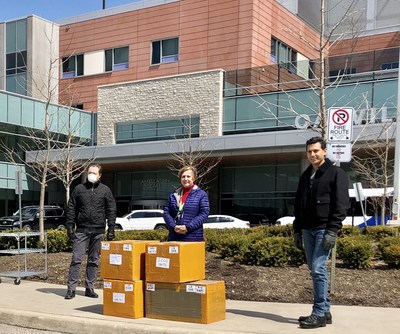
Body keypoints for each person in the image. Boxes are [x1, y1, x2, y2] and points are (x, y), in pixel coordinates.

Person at [293, 137, 349, 329]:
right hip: (307, 229)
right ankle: (325, 311)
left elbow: (341, 205)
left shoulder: (336, 173)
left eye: (316, 151)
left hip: (324, 228)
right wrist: (297, 230)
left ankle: (318, 313)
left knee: (318, 268)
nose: (313, 154)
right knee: (315, 269)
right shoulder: (305, 175)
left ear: (325, 151)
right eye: (309, 151)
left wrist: (333, 230)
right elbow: (299, 205)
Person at [65, 164, 117, 300]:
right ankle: (71, 289)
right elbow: (71, 207)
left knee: (94, 260)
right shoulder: (79, 189)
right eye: (89, 172)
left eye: (94, 173)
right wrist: (70, 225)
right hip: (82, 230)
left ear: (100, 175)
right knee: (76, 259)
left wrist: (111, 228)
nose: (91, 175)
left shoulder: (105, 190)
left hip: (98, 231)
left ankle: (89, 287)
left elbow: (111, 209)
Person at [163, 165, 210, 241]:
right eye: (183, 177)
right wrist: (173, 226)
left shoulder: (201, 194)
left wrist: (188, 227)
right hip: (174, 236)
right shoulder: (174, 194)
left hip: (193, 237)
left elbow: (204, 213)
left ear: (193, 178)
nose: (185, 179)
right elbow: (166, 212)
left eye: (188, 176)